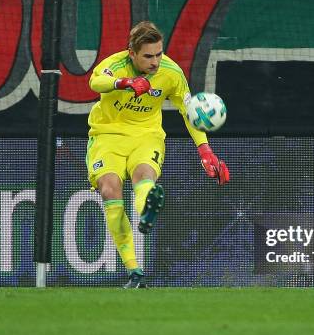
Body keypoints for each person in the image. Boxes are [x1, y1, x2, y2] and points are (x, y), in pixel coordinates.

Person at [86, 21, 229, 289]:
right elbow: (96, 81)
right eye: (148, 56)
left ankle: (146, 209)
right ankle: (134, 271)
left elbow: (190, 111)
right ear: (132, 53)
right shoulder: (116, 65)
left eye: (159, 54)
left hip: (146, 135)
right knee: (110, 189)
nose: (155, 61)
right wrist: (126, 83)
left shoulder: (171, 73)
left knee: (144, 176)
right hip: (107, 136)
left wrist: (205, 149)